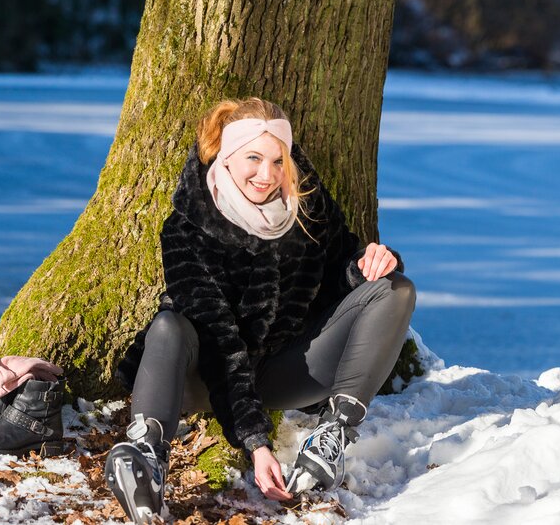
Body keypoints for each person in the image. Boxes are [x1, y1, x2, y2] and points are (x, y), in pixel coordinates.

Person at [106, 98, 416, 524]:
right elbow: (219, 343)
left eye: (277, 161)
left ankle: (332, 436)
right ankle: (146, 455)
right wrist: (256, 442)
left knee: (395, 289)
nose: (266, 175)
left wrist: (368, 264)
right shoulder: (189, 226)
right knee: (168, 325)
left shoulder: (306, 207)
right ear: (227, 156)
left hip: (283, 372)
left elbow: (336, 279)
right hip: (199, 379)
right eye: (253, 158)